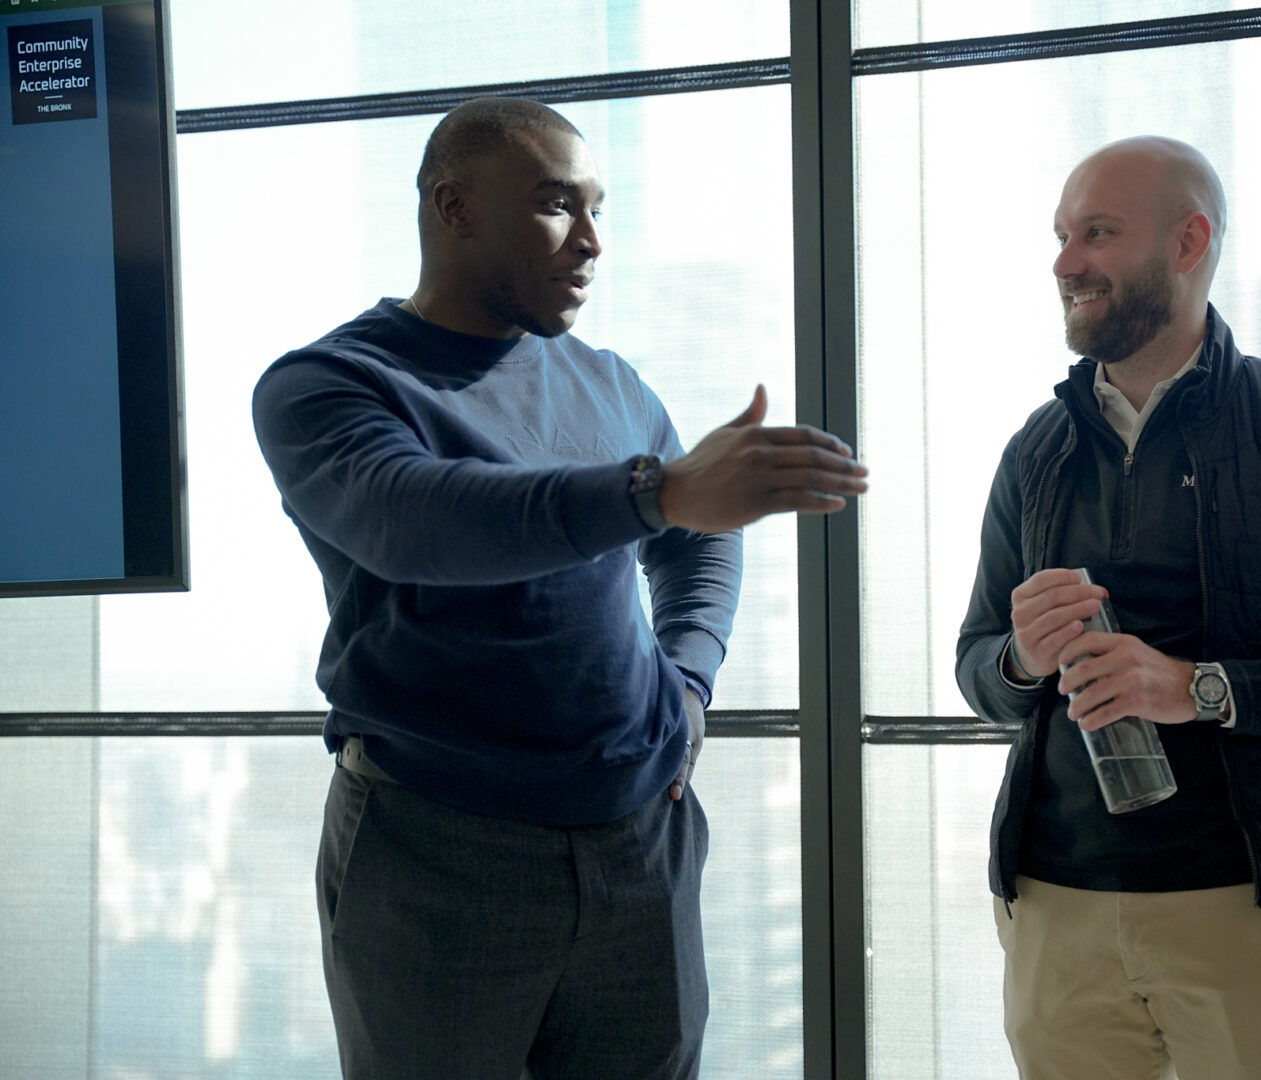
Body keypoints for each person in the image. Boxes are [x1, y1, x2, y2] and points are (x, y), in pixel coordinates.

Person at [251, 96, 867, 1080]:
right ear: (454, 208)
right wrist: (656, 492)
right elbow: (420, 519)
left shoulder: (613, 383)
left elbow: (697, 540)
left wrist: (690, 680)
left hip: (643, 842)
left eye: (597, 209)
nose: (591, 240)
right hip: (436, 854)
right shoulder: (327, 385)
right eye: (555, 205)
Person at [955, 135, 1261, 1080]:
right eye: (1061, 236)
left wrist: (1197, 689)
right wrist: (1018, 658)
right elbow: (980, 667)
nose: (1064, 263)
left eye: (1097, 233)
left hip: (1250, 907)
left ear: (1188, 242)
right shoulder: (1035, 452)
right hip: (1056, 908)